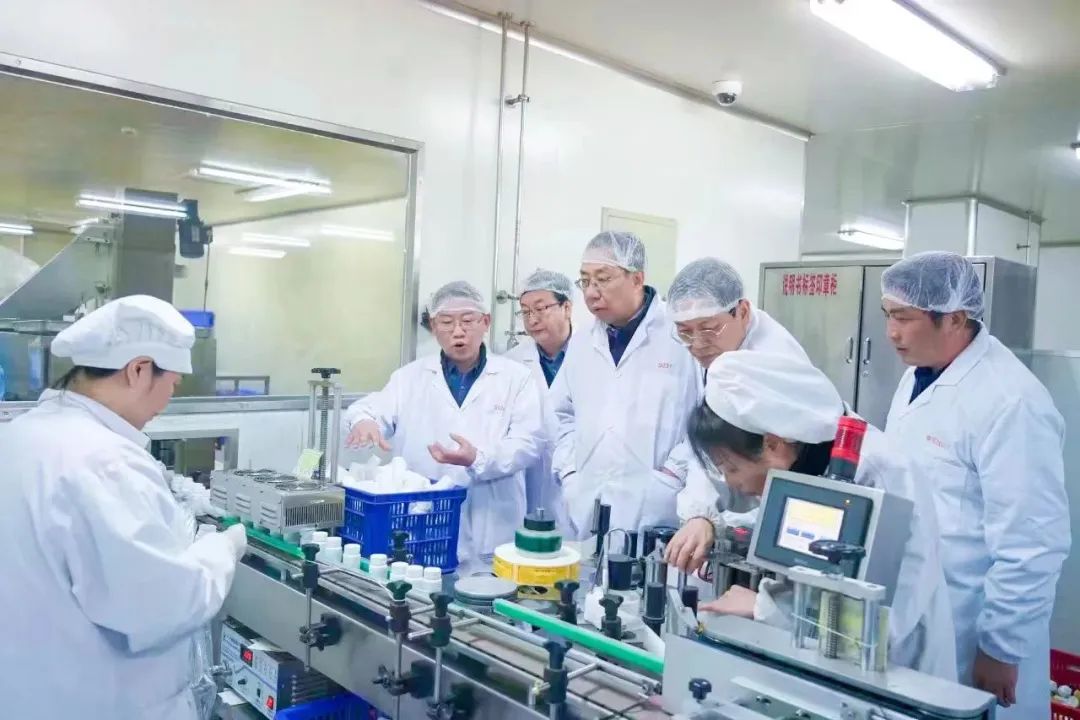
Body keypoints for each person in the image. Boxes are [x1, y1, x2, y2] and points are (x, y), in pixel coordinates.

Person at [0, 295, 248, 720]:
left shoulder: (20, 435)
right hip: (99, 702)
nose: (165, 403)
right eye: (171, 385)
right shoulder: (104, 464)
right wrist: (223, 549)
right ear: (138, 370)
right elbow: (165, 606)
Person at [683, 350, 957, 679]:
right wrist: (714, 525)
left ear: (773, 445)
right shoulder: (803, 456)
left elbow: (876, 622)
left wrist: (763, 606)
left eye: (731, 468)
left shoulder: (880, 476)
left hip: (896, 671)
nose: (731, 483)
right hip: (824, 655)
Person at [881, 251, 1069, 714]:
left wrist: (1001, 647)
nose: (891, 332)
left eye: (903, 318)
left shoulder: (1011, 401)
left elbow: (1033, 541)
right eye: (888, 316)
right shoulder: (916, 378)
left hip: (972, 624)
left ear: (955, 319)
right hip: (921, 608)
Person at [344, 280, 544, 571]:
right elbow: (370, 409)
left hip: (492, 523)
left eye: (468, 320)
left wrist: (478, 458)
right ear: (433, 326)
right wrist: (364, 421)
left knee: (492, 593)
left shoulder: (516, 378)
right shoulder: (409, 378)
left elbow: (528, 443)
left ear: (486, 322)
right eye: (447, 322)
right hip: (423, 527)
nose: (458, 331)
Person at [662, 258, 811, 572]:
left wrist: (713, 521)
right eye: (685, 332)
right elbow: (718, 448)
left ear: (741, 311)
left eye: (709, 328)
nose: (697, 344)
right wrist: (700, 513)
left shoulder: (771, 365)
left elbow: (776, 471)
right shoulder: (727, 353)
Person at [551, 231, 700, 537]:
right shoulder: (582, 341)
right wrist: (568, 471)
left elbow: (708, 416)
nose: (591, 293)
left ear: (637, 279)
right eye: (585, 281)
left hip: (660, 505)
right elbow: (560, 414)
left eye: (603, 279)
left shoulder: (681, 335)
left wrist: (673, 473)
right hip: (587, 501)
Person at [505, 268, 575, 523]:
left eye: (541, 308)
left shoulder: (594, 354)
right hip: (529, 476)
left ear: (566, 307)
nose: (532, 319)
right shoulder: (510, 363)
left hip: (579, 475)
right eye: (525, 312)